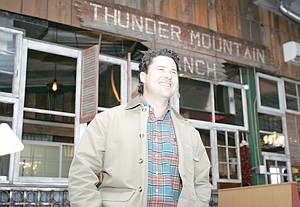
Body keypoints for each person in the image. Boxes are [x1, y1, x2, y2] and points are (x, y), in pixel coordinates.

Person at [68, 48, 212, 207]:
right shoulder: (107, 121)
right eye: (161, 69)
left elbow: (202, 183)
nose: (168, 76)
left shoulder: (190, 132)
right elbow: (82, 175)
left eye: (173, 72)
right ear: (143, 76)